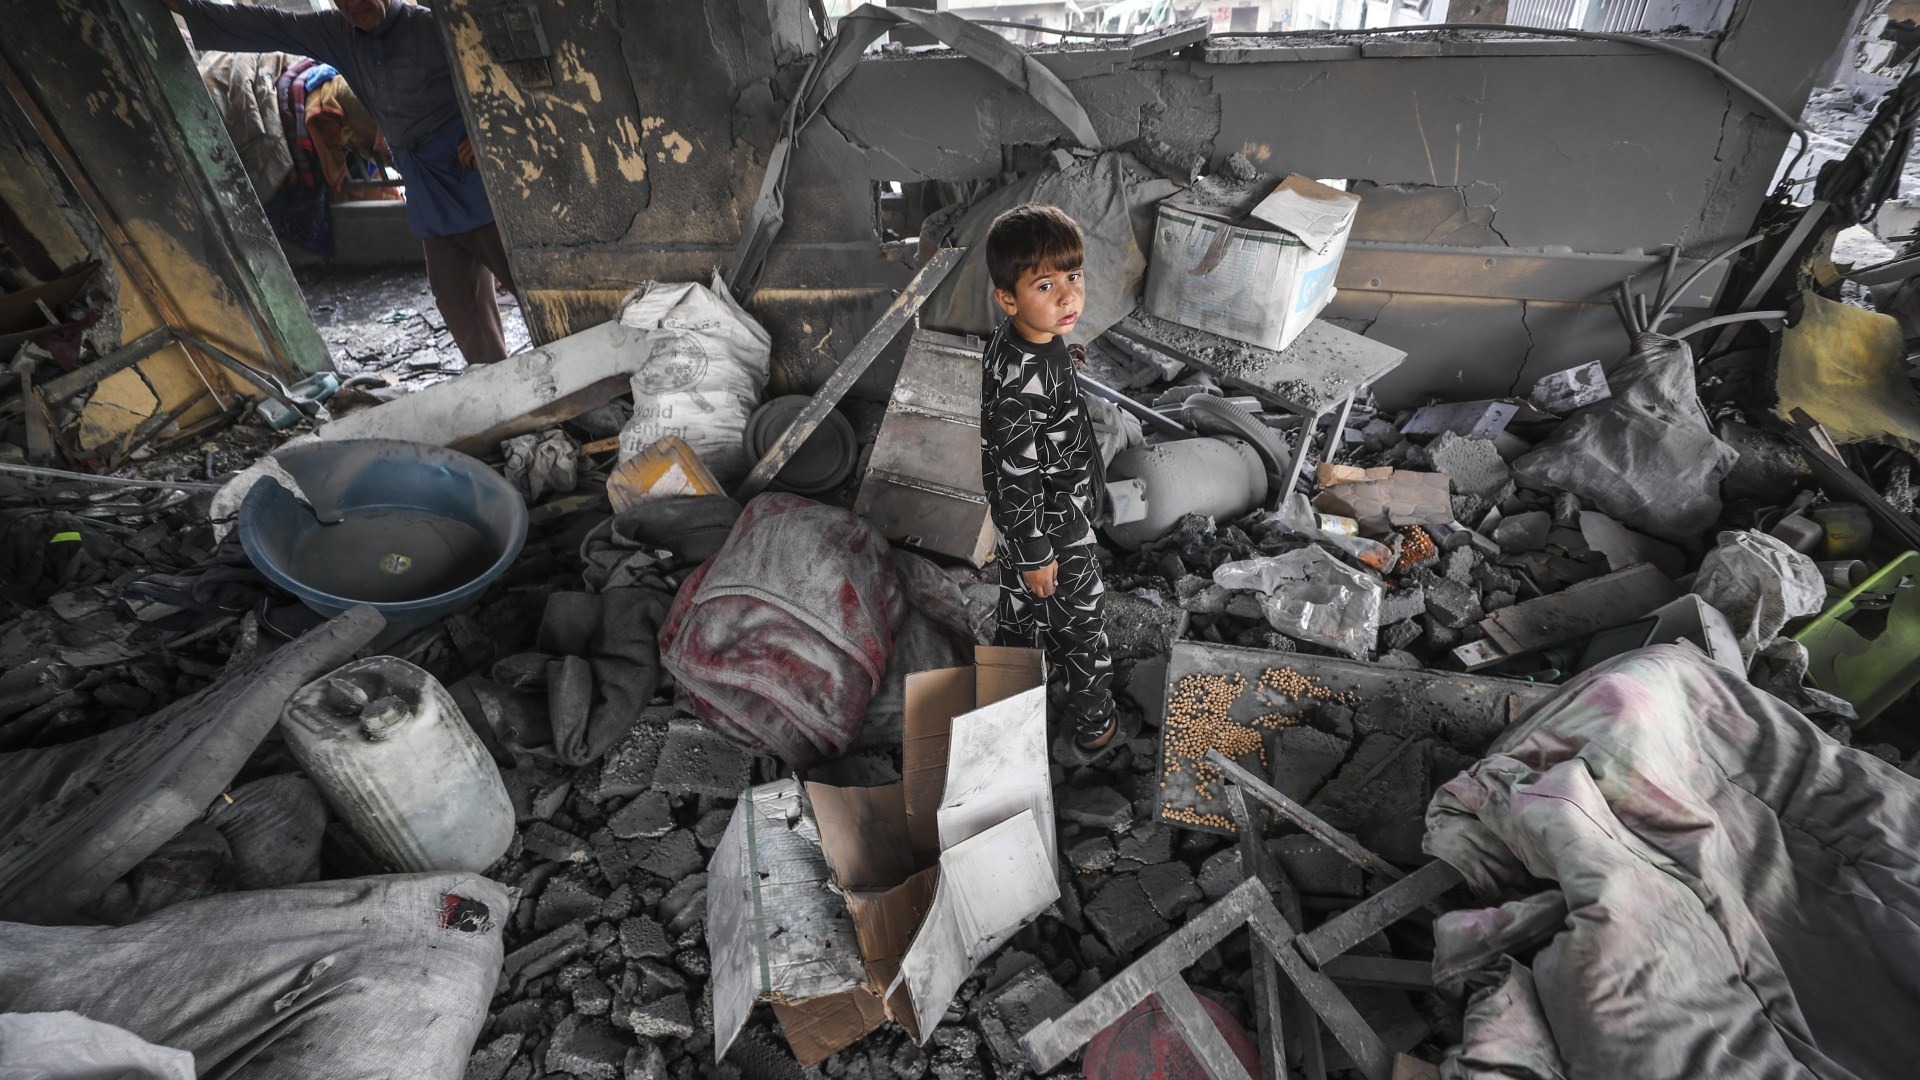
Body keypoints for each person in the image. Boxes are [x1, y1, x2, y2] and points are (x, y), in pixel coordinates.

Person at [164, 0, 520, 366]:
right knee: (456, 299)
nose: (355, 3)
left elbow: (507, 73)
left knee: (531, 282)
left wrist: (485, 131)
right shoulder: (339, 33)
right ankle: (500, 380)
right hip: (427, 192)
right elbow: (271, 24)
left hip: (473, 180)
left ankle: (559, 374)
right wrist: (185, 8)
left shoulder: (432, 26)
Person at [980, 204, 1134, 765]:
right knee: (1083, 626)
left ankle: (1008, 712)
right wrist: (1037, 552)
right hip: (1053, 527)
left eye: (1074, 277)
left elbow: (1036, 388)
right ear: (1008, 298)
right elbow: (1015, 473)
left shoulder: (1025, 340)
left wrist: (1064, 359)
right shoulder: (1025, 381)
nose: (1069, 297)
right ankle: (1096, 725)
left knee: (1020, 618)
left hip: (1026, 530)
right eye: (1046, 285)